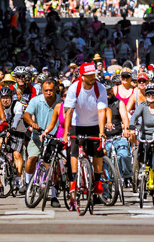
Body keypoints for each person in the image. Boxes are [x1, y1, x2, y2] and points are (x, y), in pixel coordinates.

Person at [62, 62, 108, 208]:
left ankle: (97, 180)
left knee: (98, 153)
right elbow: (68, 110)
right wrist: (66, 132)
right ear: (82, 76)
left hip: (94, 124)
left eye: (93, 74)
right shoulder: (74, 88)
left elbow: (102, 111)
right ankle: (75, 181)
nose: (92, 77)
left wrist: (101, 132)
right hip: (77, 124)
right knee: (74, 153)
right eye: (89, 75)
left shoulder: (100, 88)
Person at [24, 79, 61, 206]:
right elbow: (26, 114)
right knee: (32, 158)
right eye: (46, 91)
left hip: (54, 137)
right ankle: (28, 183)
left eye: (51, 90)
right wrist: (32, 123)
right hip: (37, 135)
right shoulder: (36, 100)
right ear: (42, 91)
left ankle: (54, 195)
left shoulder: (60, 101)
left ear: (55, 89)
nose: (49, 93)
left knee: (52, 167)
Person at [127, 83, 154, 197]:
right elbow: (134, 116)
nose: (150, 96)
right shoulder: (142, 105)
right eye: (148, 94)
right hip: (145, 136)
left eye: (153, 94)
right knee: (141, 156)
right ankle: (143, 179)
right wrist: (131, 125)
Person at [0, 86, 26, 193]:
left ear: (11, 98)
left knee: (17, 154)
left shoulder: (17, 105)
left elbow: (17, 117)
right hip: (3, 131)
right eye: (3, 98)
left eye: (7, 98)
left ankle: (18, 179)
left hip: (17, 131)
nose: (5, 100)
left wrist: (13, 128)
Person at [103, 77, 133, 187]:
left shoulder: (118, 103)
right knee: (103, 160)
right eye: (105, 90)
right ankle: (107, 184)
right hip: (105, 138)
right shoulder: (100, 104)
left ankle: (127, 176)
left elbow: (125, 118)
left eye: (109, 89)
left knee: (124, 155)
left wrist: (126, 129)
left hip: (118, 136)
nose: (108, 92)